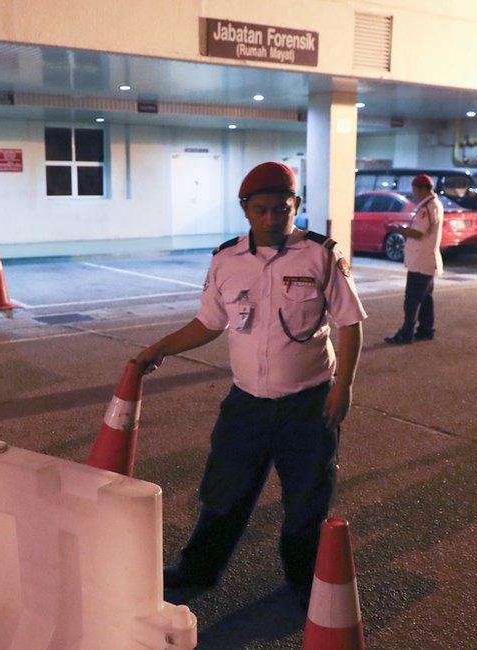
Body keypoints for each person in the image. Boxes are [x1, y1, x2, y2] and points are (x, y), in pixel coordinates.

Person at [133, 162, 366, 607]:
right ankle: (197, 570)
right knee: (223, 492)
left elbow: (351, 324)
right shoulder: (226, 260)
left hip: (309, 403)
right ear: (245, 211)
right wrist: (160, 347)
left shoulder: (321, 255)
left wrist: (344, 387)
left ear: (296, 206)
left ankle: (303, 582)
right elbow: (209, 321)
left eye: (283, 208)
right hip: (247, 404)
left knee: (306, 501)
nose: (273, 218)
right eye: (262, 209)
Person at [384, 173, 444, 344]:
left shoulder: (428, 207)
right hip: (426, 259)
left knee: (412, 300)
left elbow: (418, 232)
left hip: (421, 261)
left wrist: (397, 229)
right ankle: (426, 329)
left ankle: (406, 333)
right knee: (425, 298)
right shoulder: (433, 205)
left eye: (415, 190)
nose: (415, 194)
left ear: (423, 189)